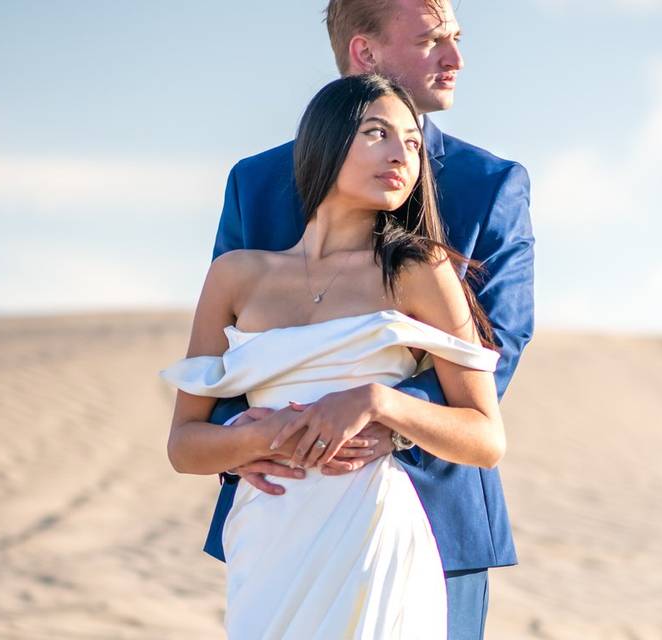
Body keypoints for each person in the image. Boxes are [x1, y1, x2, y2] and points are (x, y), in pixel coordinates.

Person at [201, 1, 534, 637]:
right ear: (365, 53)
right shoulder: (255, 181)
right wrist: (244, 436)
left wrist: (383, 417)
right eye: (433, 39)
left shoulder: (491, 183)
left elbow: (503, 343)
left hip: (433, 509)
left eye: (456, 39)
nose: (455, 58)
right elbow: (220, 352)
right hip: (278, 513)